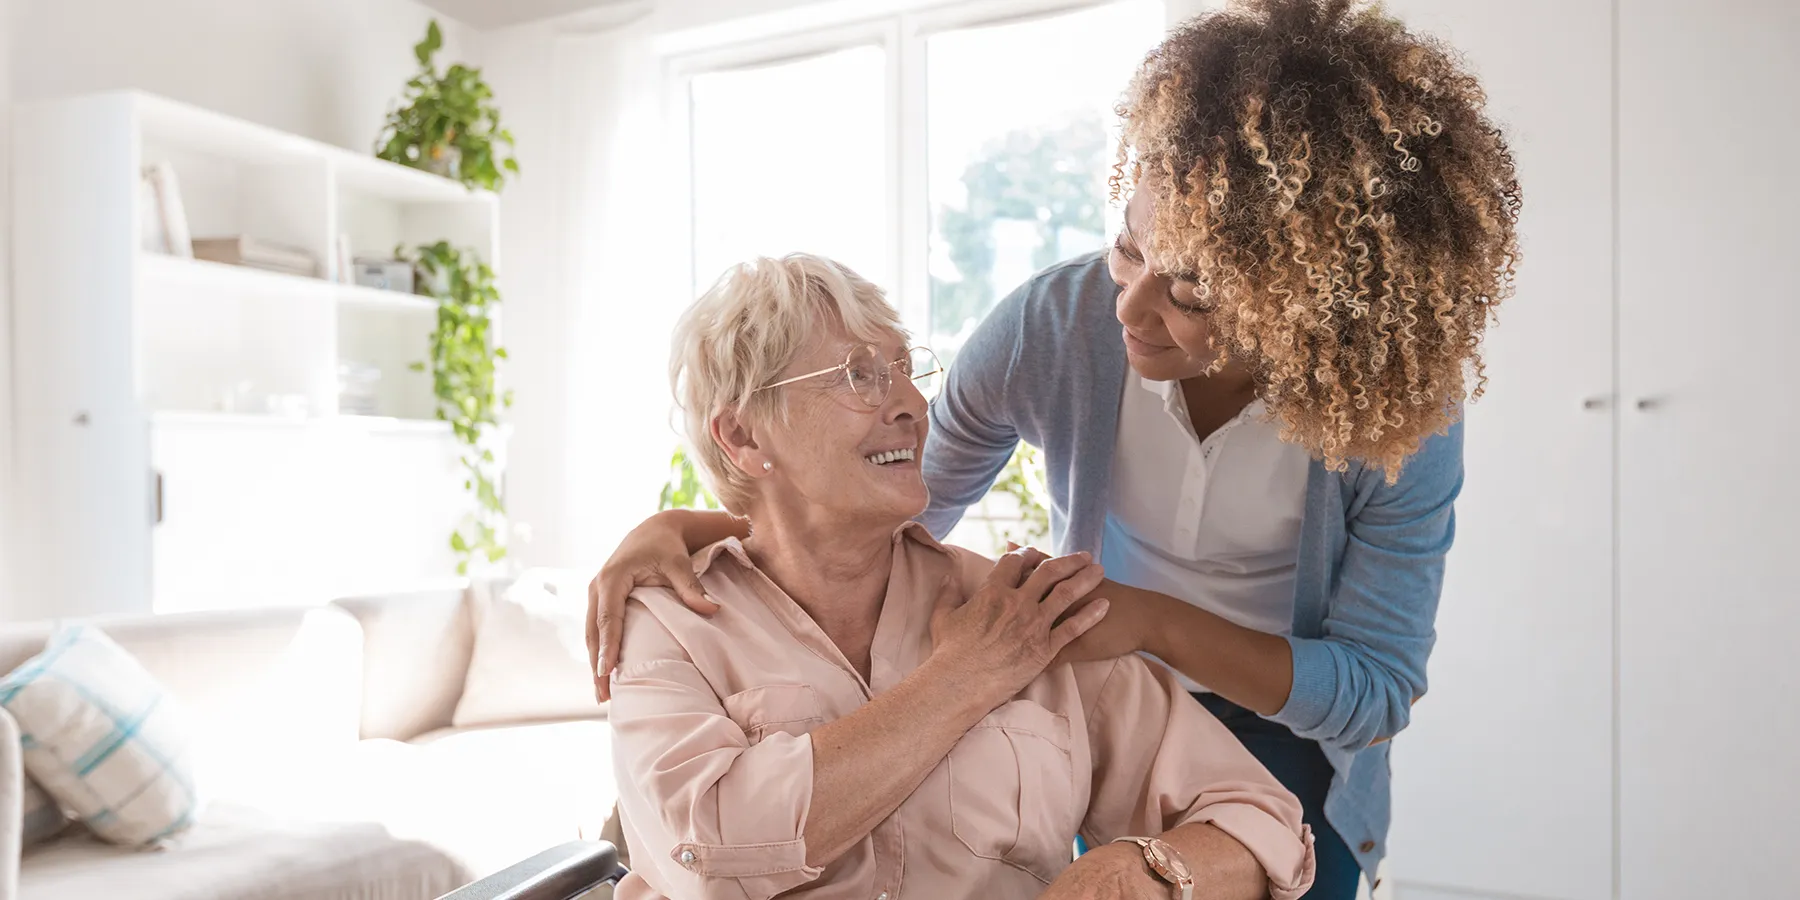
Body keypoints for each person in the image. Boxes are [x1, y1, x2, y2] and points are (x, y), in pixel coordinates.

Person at [590, 1, 1520, 897]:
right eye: (1128, 247)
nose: (1128, 305)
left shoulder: (1396, 411)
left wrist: (1148, 622)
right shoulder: (1054, 326)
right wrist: (697, 524)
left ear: (1306, 304)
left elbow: (1375, 687)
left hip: (1280, 724)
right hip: (1099, 674)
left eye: (1191, 291)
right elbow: (900, 495)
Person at [609, 253, 1315, 900]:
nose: (912, 406)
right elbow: (713, 852)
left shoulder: (1020, 612)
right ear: (743, 437)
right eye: (858, 374)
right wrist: (963, 678)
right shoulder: (672, 619)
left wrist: (1145, 873)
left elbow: (1264, 821)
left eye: (904, 369)